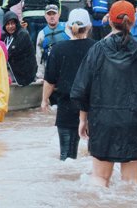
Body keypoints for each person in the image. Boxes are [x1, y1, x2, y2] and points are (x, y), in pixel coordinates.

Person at [71, 0, 137, 187]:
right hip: (134, 123)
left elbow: (81, 90)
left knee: (99, 180)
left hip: (102, 122)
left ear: (109, 21)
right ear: (133, 22)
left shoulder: (97, 50)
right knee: (130, 183)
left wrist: (83, 120)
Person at [42, 8, 95, 161]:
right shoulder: (98, 48)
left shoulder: (58, 49)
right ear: (89, 26)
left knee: (66, 157)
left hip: (66, 106)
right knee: (96, 157)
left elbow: (50, 80)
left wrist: (44, 100)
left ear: (68, 27)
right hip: (94, 106)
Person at [2, 11, 37, 86]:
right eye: (7, 24)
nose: (10, 26)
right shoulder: (6, 37)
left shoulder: (23, 34)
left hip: (23, 74)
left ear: (16, 24)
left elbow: (11, 53)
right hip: (13, 71)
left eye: (12, 23)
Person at [35, 4, 69, 80]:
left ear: (59, 15)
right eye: (49, 14)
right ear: (45, 16)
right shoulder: (42, 34)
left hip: (67, 69)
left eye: (54, 13)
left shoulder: (67, 28)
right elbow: (39, 56)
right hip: (51, 71)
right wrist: (41, 75)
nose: (52, 16)